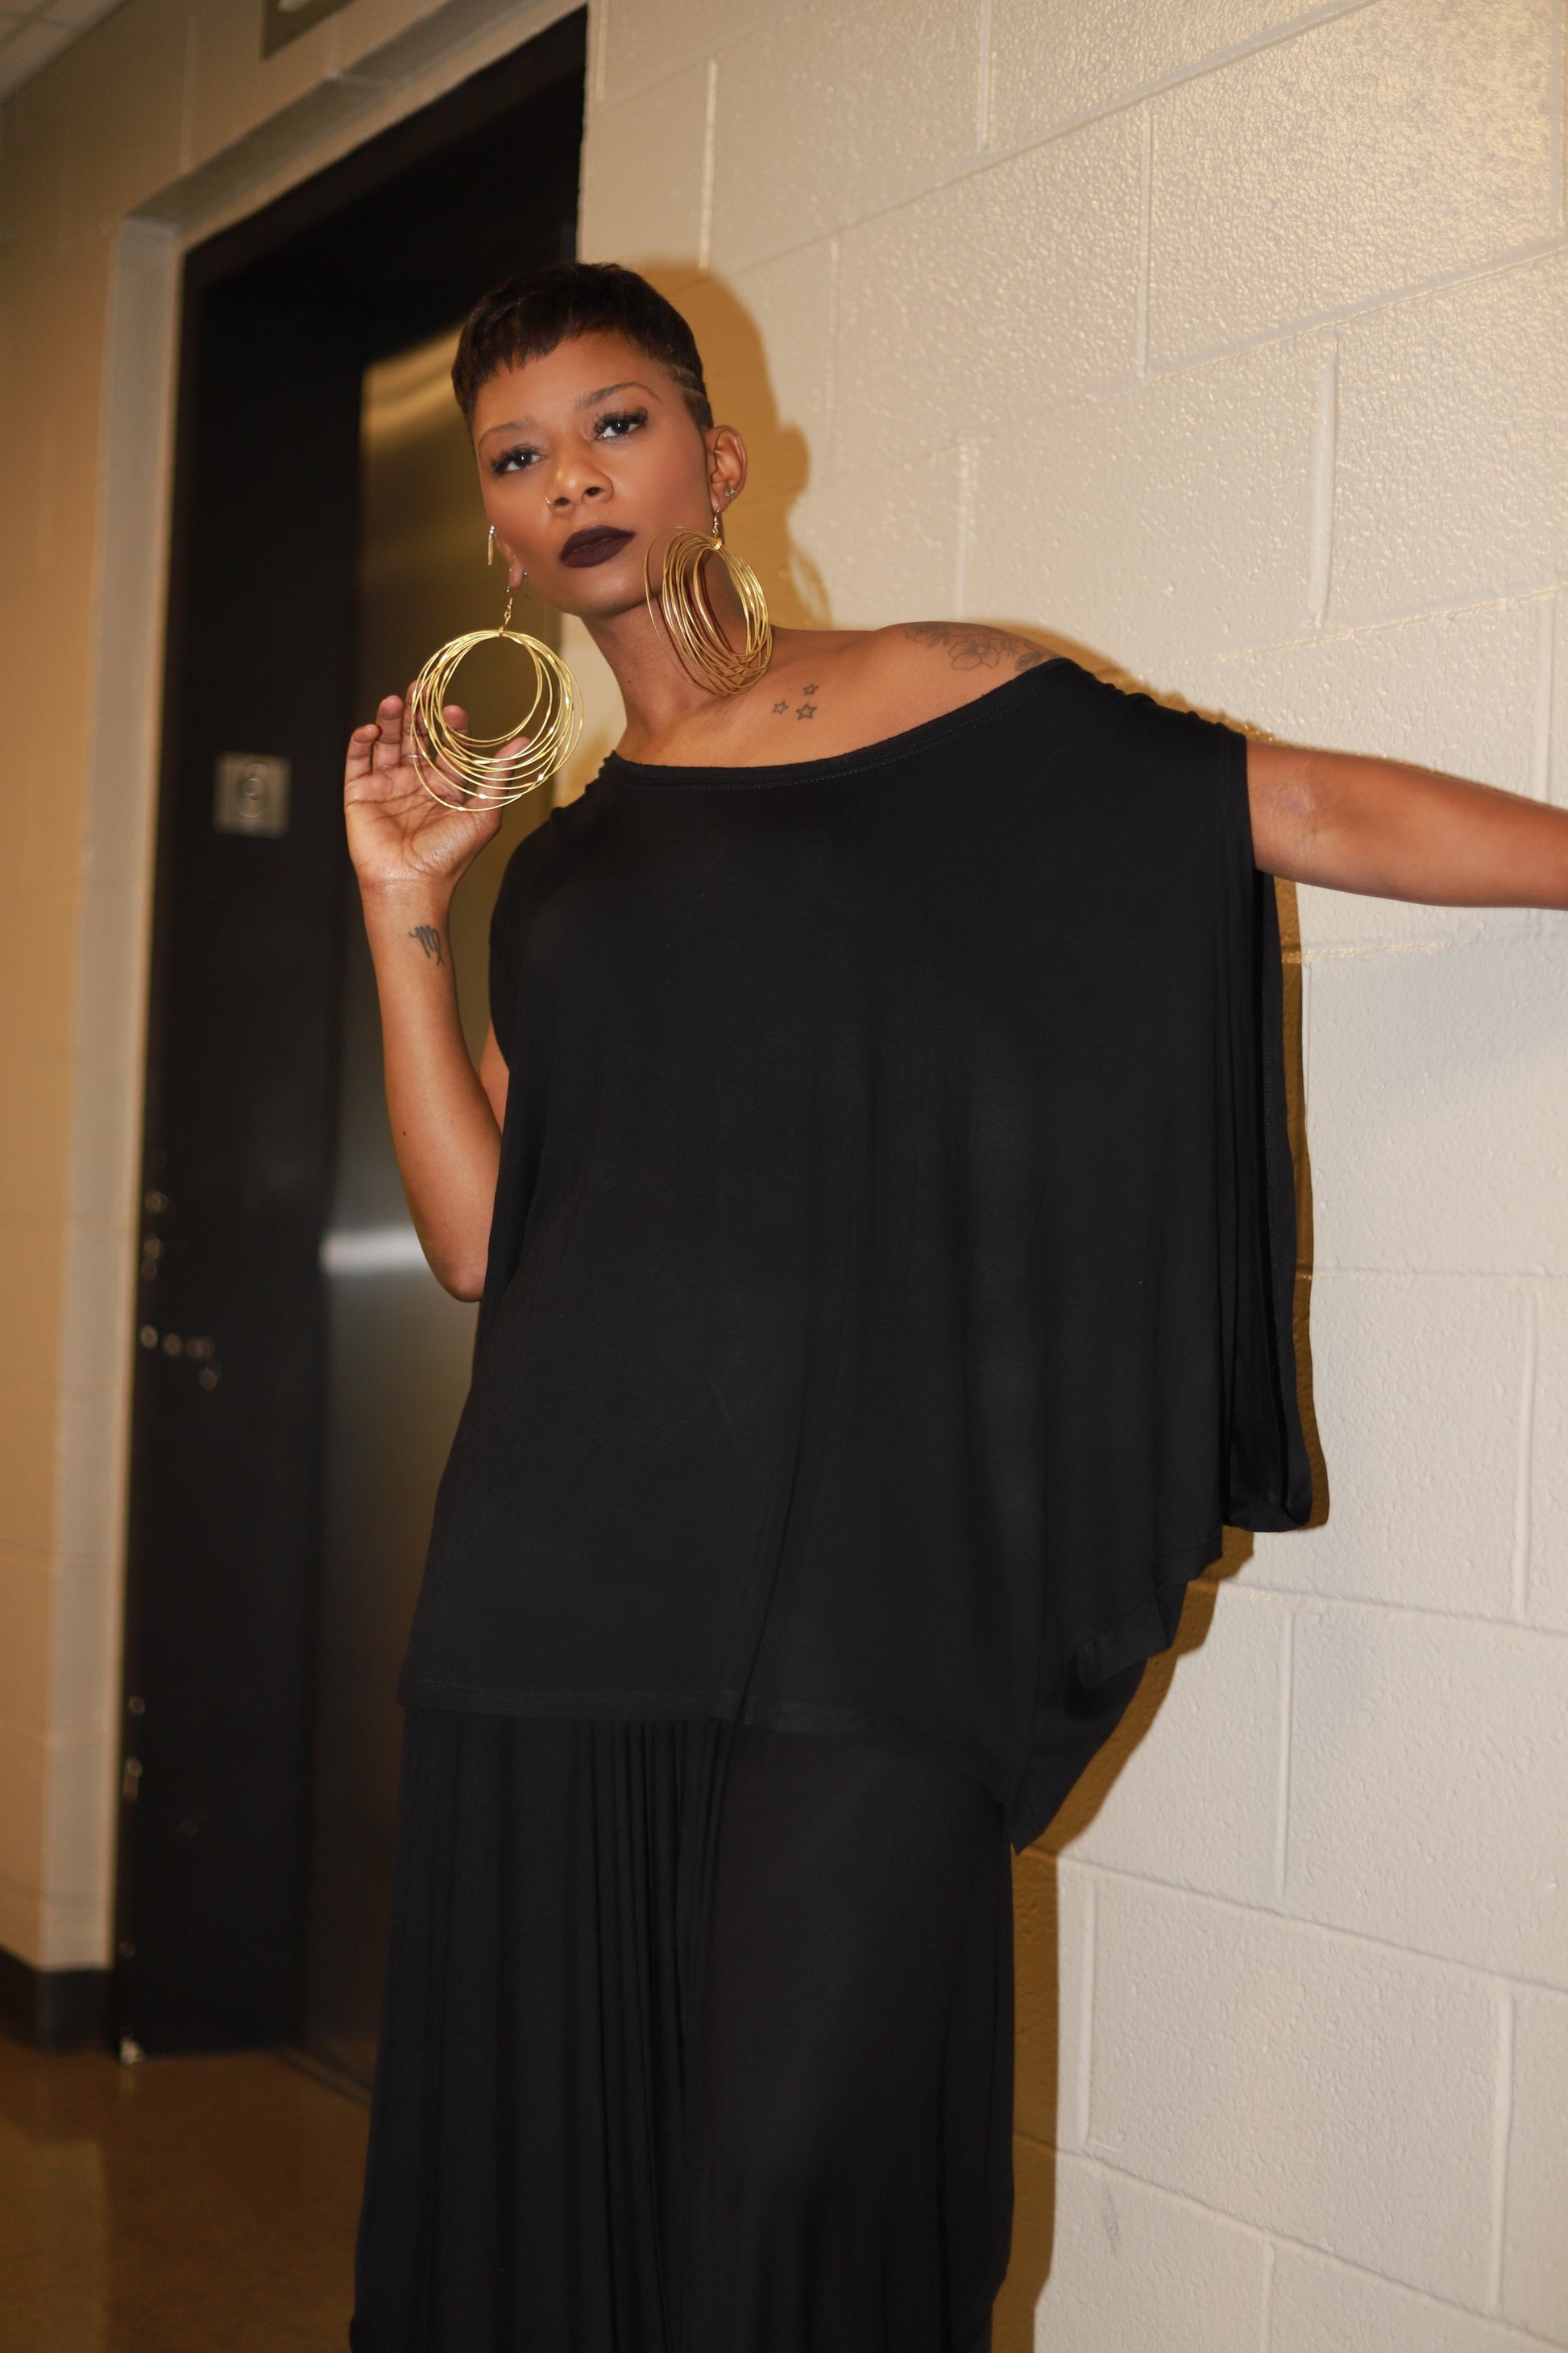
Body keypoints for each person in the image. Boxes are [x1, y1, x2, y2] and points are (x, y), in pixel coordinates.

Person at [341, 263, 1568, 2353]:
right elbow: (477, 1240)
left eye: (617, 425)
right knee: (570, 2185)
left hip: (870, 1600)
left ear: (719, 462)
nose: (575, 481)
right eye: (522, 459)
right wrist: (402, 909)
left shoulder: (950, 696)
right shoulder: (562, 866)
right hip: (559, 1587)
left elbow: (1288, 807)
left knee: (798, 2178)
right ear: (501, 534)